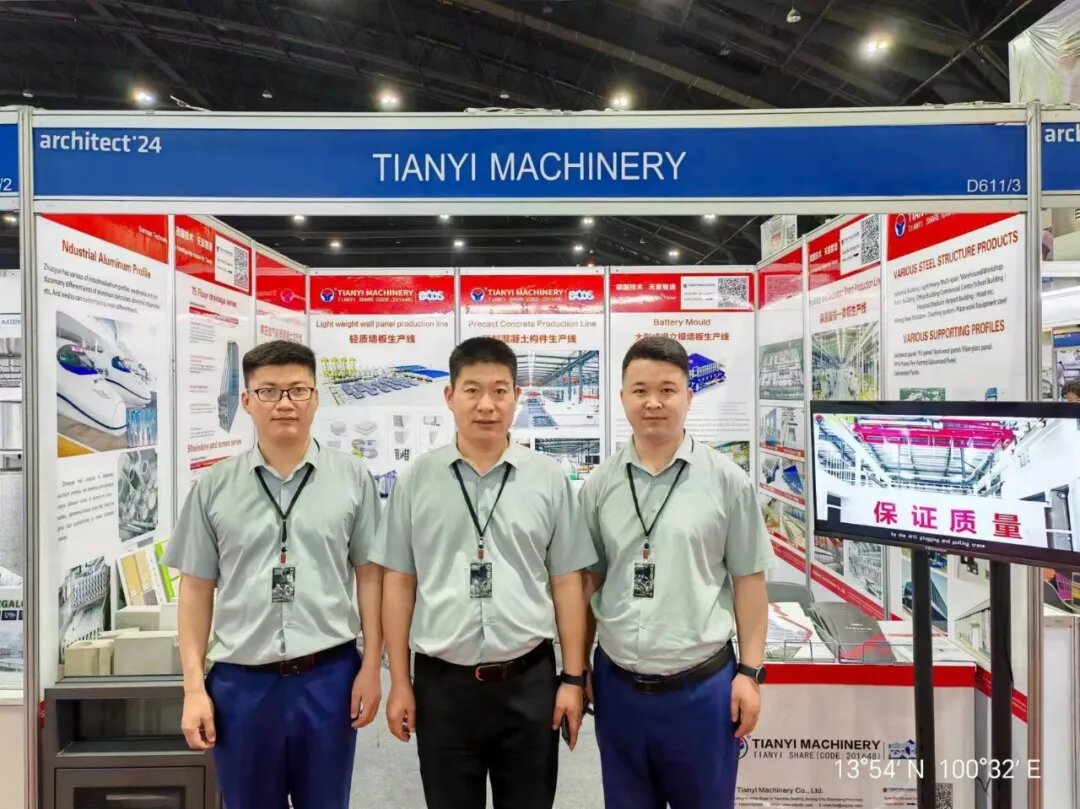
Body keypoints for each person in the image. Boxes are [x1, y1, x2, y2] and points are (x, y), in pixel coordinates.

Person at [371, 335, 596, 809]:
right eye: (472, 390)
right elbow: (399, 582)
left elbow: (567, 582)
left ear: (517, 396)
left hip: (529, 681)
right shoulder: (417, 480)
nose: (486, 405)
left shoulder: (547, 478)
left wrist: (573, 679)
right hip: (442, 686)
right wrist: (400, 683)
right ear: (450, 396)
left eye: (499, 390)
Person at [164, 340, 383, 809]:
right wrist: (193, 688)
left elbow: (370, 576)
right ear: (246, 401)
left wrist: (371, 666)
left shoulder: (353, 478)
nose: (285, 403)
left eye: (298, 390)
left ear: (315, 398)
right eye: (269, 391)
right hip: (241, 685)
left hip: (328, 677)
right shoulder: (214, 486)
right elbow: (196, 589)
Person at [580, 335, 775, 809]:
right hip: (617, 688)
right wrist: (578, 665)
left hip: (702, 691)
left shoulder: (727, 481)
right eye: (640, 390)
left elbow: (749, 581)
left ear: (688, 396)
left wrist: (750, 673)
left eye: (667, 390)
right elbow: (589, 583)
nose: (653, 402)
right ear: (622, 397)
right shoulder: (599, 486)